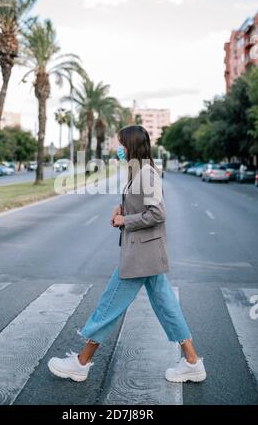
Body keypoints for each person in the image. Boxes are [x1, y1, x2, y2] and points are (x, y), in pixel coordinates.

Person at [48, 125, 207, 384]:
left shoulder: (146, 174)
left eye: (120, 144)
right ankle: (192, 363)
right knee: (167, 308)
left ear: (131, 145)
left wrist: (125, 219)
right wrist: (121, 206)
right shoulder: (140, 172)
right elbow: (142, 203)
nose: (117, 148)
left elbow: (158, 213)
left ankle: (80, 363)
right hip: (147, 253)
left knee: (108, 306)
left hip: (141, 255)